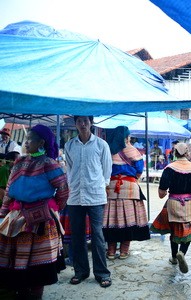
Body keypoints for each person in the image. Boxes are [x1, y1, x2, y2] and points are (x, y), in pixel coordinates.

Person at [0, 125, 68, 299]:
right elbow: (9, 189)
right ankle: (22, 292)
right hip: (17, 217)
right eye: (26, 139)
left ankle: (36, 294)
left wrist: (53, 209)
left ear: (41, 142)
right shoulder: (19, 161)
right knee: (18, 261)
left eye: (31, 139)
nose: (26, 142)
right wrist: (3, 212)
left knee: (39, 264)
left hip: (42, 220)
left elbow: (63, 190)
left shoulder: (50, 164)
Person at [64, 115, 113, 288]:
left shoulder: (101, 144)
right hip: (75, 196)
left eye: (86, 121)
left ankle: (102, 273)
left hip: (95, 195)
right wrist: (72, 186)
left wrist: (101, 185)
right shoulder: (69, 145)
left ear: (91, 123)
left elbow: (107, 170)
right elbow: (69, 169)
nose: (83, 124)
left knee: (97, 235)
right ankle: (81, 271)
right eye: (79, 121)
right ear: (75, 124)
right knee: (77, 235)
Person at [150, 143, 191, 273]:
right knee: (188, 231)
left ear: (174, 153)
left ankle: (174, 257)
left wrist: (163, 194)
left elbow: (162, 191)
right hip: (189, 204)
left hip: (173, 202)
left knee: (174, 231)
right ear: (187, 153)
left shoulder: (169, 168)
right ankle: (182, 253)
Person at [103, 126, 150, 260]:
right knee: (129, 220)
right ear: (126, 137)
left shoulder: (109, 150)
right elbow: (139, 170)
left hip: (111, 188)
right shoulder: (133, 150)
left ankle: (111, 252)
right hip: (129, 189)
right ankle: (124, 252)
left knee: (110, 220)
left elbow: (104, 169)